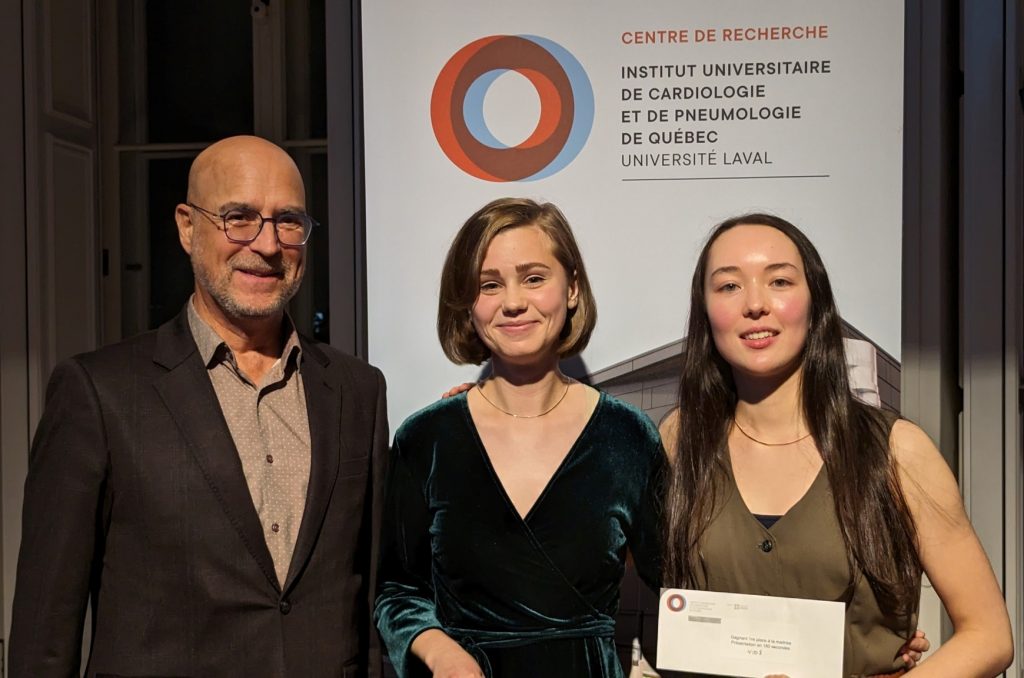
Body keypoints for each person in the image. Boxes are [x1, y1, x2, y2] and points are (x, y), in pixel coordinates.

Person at [9, 135, 388, 677]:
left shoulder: (359, 391)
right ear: (188, 227)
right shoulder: (100, 393)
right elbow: (45, 632)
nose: (266, 244)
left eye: (288, 221)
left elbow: (369, 605)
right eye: (239, 217)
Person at [659, 213, 1013, 676]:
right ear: (705, 311)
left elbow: (988, 635)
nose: (755, 305)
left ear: (816, 303)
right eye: (728, 286)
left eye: (780, 281)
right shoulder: (678, 441)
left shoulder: (895, 451)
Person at [373, 198, 665, 677]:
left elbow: (681, 585)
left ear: (571, 289)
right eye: (490, 285)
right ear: (468, 304)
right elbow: (396, 589)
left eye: (533, 278)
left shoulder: (627, 438)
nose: (512, 302)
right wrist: (438, 650)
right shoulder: (426, 439)